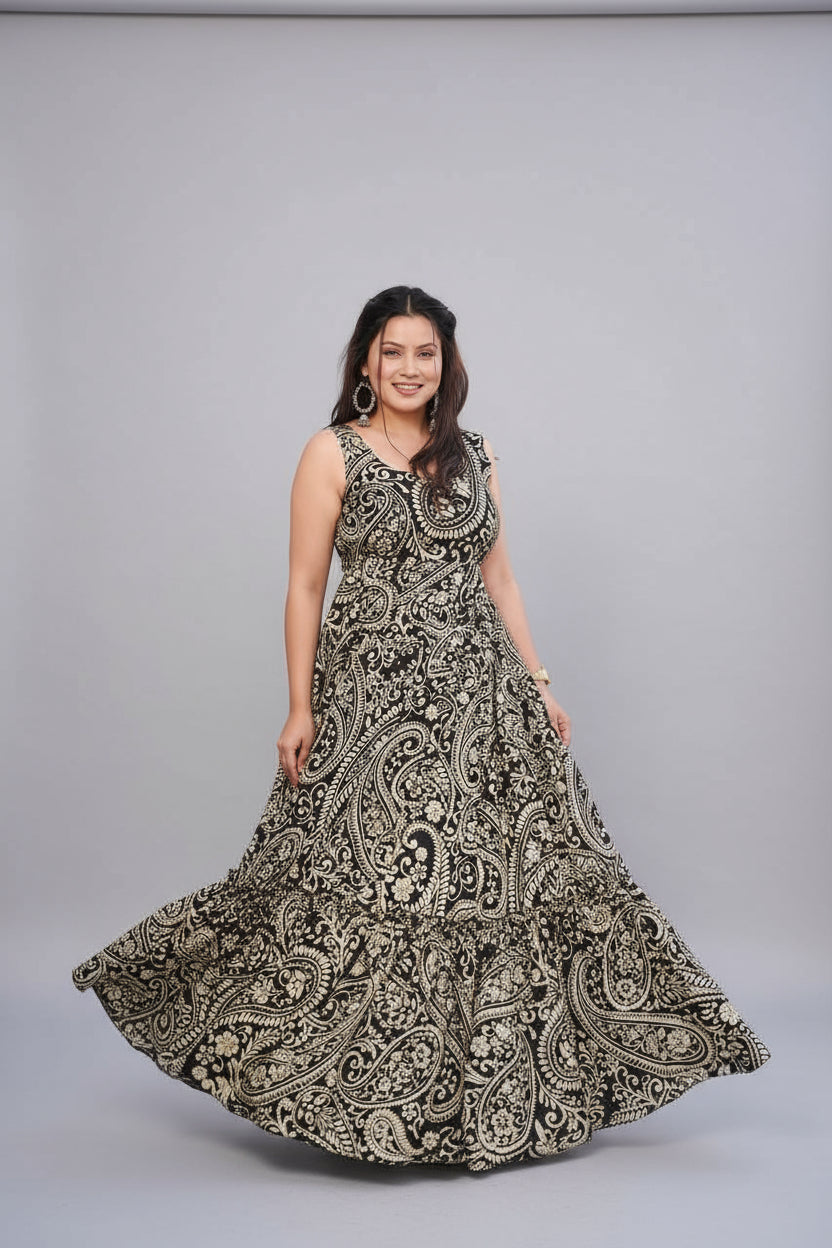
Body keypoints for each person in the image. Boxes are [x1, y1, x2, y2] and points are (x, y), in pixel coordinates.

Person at [72, 284, 770, 1173]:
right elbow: (303, 586)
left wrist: (538, 680)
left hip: (486, 709)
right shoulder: (331, 453)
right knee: (363, 887)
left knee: (499, 889)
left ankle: (478, 1105)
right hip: (375, 705)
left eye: (425, 353)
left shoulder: (473, 453)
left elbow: (501, 583)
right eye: (393, 351)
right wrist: (299, 704)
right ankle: (358, 1097)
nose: (409, 368)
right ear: (365, 360)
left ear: (448, 363)